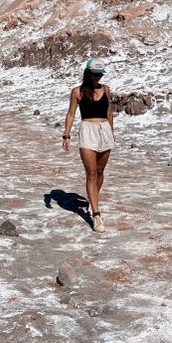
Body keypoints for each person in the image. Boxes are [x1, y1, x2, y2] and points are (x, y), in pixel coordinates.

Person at [61, 57, 115, 232]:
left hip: (104, 131)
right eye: (94, 74)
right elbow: (71, 114)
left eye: (99, 74)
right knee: (91, 172)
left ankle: (93, 201)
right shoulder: (77, 91)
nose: (97, 78)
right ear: (87, 73)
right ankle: (96, 215)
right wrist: (66, 135)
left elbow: (109, 113)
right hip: (87, 131)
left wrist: (111, 134)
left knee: (100, 172)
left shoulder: (106, 89)